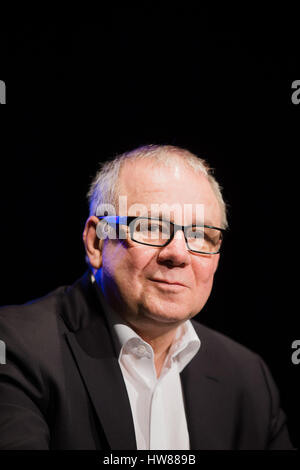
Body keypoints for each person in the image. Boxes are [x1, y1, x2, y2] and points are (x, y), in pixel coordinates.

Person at [0, 144, 294, 450]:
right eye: (151, 227)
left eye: (199, 235)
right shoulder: (16, 348)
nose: (178, 254)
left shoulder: (247, 377)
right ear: (97, 243)